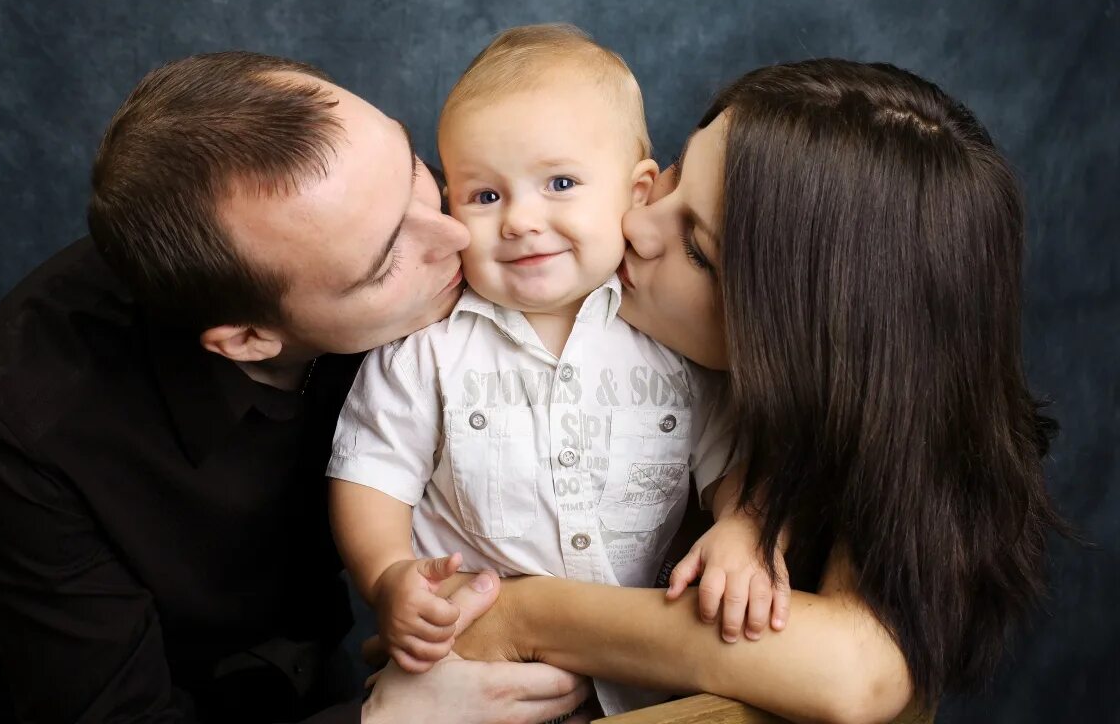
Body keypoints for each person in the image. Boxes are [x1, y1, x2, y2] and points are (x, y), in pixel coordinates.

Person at [0, 51, 589, 724]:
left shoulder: (377, 214)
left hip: (339, 673)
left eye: (410, 172)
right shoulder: (30, 409)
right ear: (249, 341)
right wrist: (392, 722)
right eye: (385, 259)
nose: (457, 234)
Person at [449, 58, 1066, 724]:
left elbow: (859, 672)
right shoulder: (525, 297)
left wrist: (523, 613)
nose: (637, 225)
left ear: (803, 331)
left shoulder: (890, 447)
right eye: (675, 177)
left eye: (700, 252)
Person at [325, 24, 784, 717]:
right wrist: (389, 576)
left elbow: (730, 461)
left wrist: (742, 530)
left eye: (560, 183)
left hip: (638, 677)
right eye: (485, 196)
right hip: (465, 667)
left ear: (636, 191)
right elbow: (370, 474)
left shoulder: (670, 338)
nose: (519, 221)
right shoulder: (424, 347)